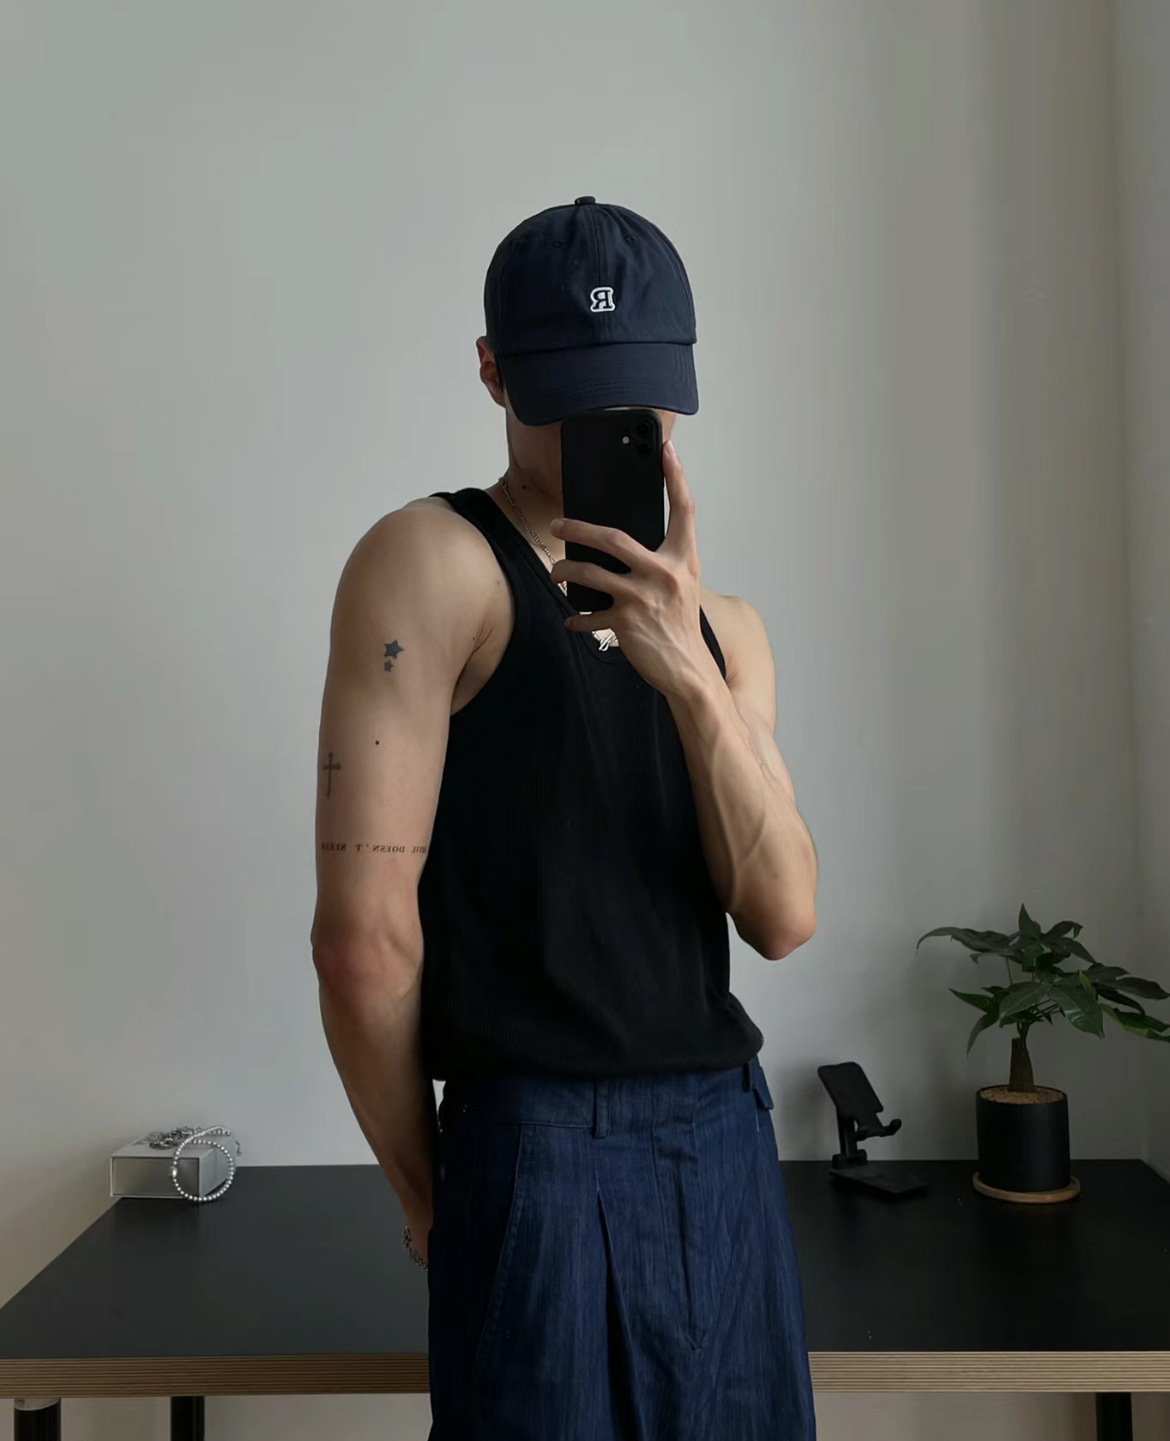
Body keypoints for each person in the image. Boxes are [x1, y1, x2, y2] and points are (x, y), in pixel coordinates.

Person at [310, 197, 820, 1439]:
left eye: (634, 395)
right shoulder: (433, 562)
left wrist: (686, 671)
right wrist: (432, 1196)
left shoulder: (729, 633)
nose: (608, 422)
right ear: (493, 372)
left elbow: (784, 915)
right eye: (573, 393)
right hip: (539, 1140)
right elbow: (363, 940)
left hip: (722, 1136)